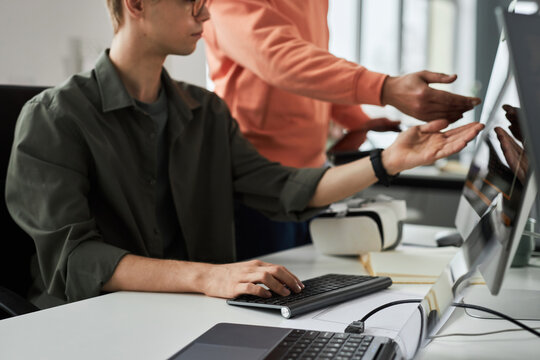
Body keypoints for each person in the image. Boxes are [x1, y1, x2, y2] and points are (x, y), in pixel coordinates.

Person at [5, 0, 483, 309]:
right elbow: (73, 260)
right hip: (86, 327)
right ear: (136, 4)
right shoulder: (54, 116)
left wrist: (389, 161)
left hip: (185, 318)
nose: (205, 13)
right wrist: (207, 278)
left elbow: (285, 188)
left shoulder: (206, 113)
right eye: (190, 1)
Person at [203, 0, 482, 258]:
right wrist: (385, 88)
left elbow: (312, 66)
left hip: (312, 178)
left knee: (305, 286)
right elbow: (278, 58)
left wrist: (356, 119)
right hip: (257, 182)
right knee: (262, 297)